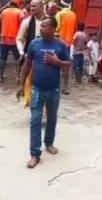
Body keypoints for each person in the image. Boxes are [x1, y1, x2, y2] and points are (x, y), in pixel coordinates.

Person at [17, 17, 70, 168]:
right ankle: (35, 154)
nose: (41, 28)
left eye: (44, 26)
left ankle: (49, 142)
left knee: (52, 118)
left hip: (53, 89)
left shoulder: (60, 45)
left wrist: (57, 62)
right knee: (35, 120)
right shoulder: (34, 44)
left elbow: (68, 64)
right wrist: (21, 85)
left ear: (53, 28)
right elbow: (27, 64)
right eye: (41, 26)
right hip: (36, 88)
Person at [0, 0, 23, 83]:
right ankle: (18, 77)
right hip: (15, 39)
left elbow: (0, 22)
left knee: (2, 58)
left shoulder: (4, 11)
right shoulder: (19, 12)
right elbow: (21, 24)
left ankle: (1, 77)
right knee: (17, 58)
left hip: (4, 38)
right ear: (17, 5)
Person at [54, 0, 77, 93]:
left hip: (59, 41)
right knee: (66, 65)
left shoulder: (59, 14)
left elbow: (56, 28)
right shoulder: (73, 15)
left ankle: (55, 86)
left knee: (55, 64)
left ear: (61, 4)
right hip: (68, 43)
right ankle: (66, 87)